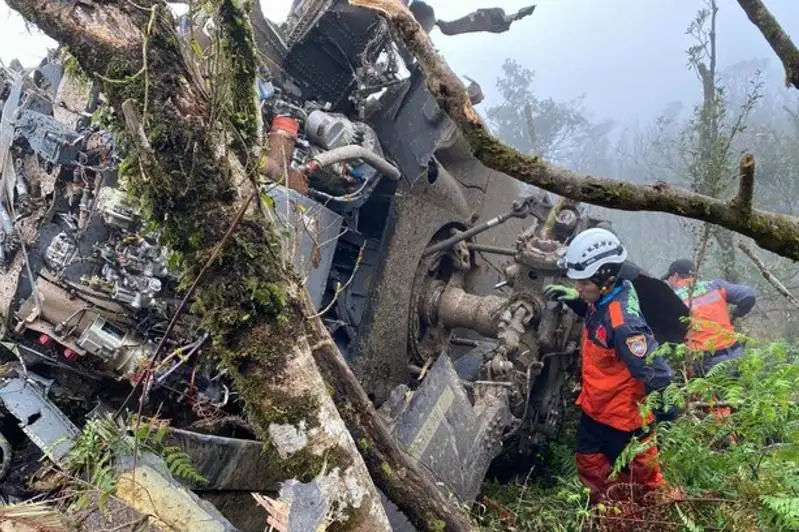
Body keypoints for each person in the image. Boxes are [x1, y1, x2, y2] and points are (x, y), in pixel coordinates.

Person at [544, 228, 676, 504]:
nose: (579, 288)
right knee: (590, 464)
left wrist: (667, 409)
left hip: (624, 418)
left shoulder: (624, 324)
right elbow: (597, 318)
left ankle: (652, 514)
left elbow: (654, 369)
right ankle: (610, 512)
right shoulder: (604, 296)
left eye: (583, 284)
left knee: (645, 479)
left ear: (606, 278)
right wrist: (576, 301)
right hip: (597, 406)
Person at [661, 259, 756, 376]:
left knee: (714, 394)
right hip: (736, 352)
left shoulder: (671, 299)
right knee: (739, 392)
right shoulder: (715, 286)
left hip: (709, 360)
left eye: (669, 279)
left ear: (675, 276)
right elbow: (749, 296)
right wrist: (735, 314)